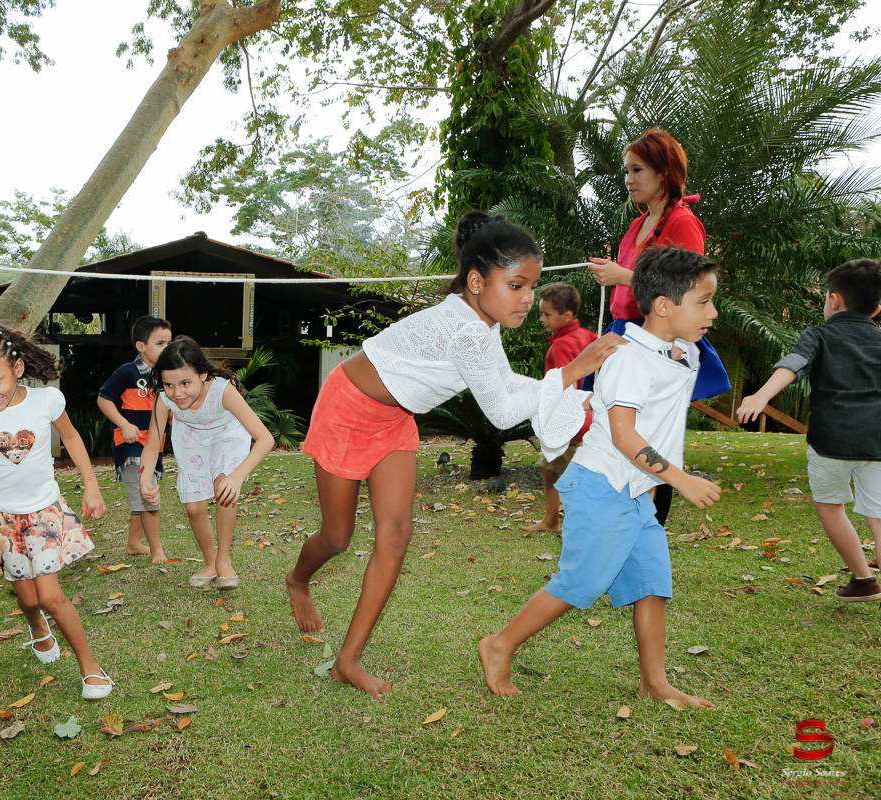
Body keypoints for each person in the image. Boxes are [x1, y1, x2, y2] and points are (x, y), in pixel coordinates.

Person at [286, 210, 624, 699]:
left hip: (394, 420)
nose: (528, 298)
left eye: (532, 287)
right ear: (476, 280)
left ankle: (348, 660)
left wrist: (568, 392)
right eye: (516, 285)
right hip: (346, 410)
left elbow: (505, 387)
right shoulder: (466, 330)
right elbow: (505, 409)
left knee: (396, 534)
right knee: (337, 537)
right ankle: (298, 581)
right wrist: (573, 372)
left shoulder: (479, 325)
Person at [480, 247, 723, 707]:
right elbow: (624, 436)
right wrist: (682, 479)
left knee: (651, 582)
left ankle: (654, 682)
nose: (713, 312)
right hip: (602, 488)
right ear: (665, 307)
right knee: (581, 583)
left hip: (637, 493)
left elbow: (672, 364)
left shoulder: (683, 350)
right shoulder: (628, 358)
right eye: (704, 301)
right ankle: (499, 644)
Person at [0, 324, 113, 699]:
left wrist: (91, 484)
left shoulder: (46, 401)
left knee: (51, 595)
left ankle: (89, 667)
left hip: (42, 513)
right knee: (29, 598)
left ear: (17, 369)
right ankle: (36, 626)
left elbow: (70, 436)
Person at [586, 127, 731, 526]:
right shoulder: (636, 227)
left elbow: (689, 290)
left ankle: (647, 524)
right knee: (613, 425)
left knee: (651, 431)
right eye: (627, 171)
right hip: (624, 336)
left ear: (663, 173)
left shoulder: (684, 223)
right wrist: (616, 276)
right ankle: (622, 518)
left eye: (637, 170)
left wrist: (623, 275)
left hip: (655, 342)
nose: (629, 180)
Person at [736, 259, 881, 602]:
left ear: (833, 300)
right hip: (877, 439)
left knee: (831, 505)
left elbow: (794, 364)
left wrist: (760, 394)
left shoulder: (818, 334)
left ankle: (863, 579)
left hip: (830, 439)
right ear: (876, 309)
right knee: (878, 508)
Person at [140, 336, 274, 590]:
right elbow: (153, 442)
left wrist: (237, 475)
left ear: (202, 374)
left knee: (224, 487)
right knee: (194, 508)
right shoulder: (164, 398)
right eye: (169, 384)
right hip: (192, 438)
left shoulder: (223, 391)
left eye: (185, 383)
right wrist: (145, 478)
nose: (177, 393)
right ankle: (210, 562)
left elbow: (265, 438)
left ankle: (223, 560)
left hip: (227, 434)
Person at [521, 283, 598, 533]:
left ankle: (580, 527)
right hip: (590, 419)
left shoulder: (561, 346)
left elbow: (565, 389)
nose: (542, 319)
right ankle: (551, 520)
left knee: (571, 478)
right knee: (549, 469)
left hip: (572, 425)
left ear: (566, 315)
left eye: (547, 314)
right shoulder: (589, 336)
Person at [97, 316, 172, 563]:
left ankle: (133, 544)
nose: (166, 349)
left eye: (168, 343)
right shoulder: (127, 372)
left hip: (153, 446)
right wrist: (124, 424)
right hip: (131, 445)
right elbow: (103, 399)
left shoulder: (166, 376)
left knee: (141, 497)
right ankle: (157, 550)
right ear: (141, 346)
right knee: (148, 493)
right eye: (160, 343)